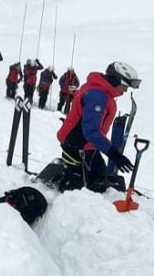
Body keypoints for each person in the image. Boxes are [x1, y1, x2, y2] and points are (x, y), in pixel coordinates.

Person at [53, 62, 140, 193]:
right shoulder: (98, 96)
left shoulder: (101, 90)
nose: (125, 91)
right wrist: (114, 154)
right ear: (116, 80)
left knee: (99, 178)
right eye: (125, 86)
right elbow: (91, 131)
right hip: (76, 145)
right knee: (76, 189)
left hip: (88, 145)